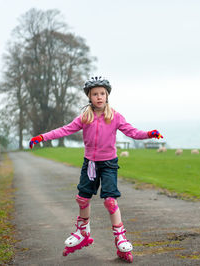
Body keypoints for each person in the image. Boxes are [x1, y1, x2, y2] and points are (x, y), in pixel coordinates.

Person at [29, 76, 163, 263]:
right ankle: (82, 232)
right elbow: (64, 130)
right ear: (89, 97)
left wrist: (149, 134)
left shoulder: (115, 116)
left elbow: (132, 132)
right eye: (95, 94)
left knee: (110, 200)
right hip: (90, 164)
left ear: (107, 95)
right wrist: (42, 137)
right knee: (82, 198)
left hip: (108, 164)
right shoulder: (85, 117)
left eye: (102, 93)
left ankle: (120, 238)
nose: (99, 97)